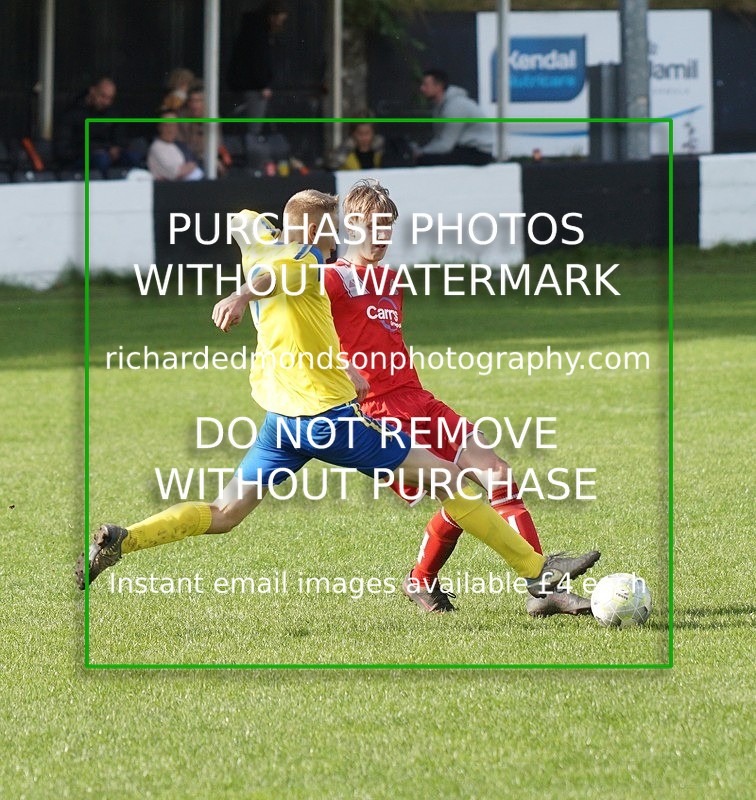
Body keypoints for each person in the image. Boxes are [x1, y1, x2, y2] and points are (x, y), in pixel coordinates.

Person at [76, 189, 599, 603]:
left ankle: (127, 539)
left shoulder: (264, 244)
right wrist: (240, 294)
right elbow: (273, 275)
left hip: (281, 422)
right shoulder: (304, 264)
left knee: (224, 514)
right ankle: (536, 570)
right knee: (451, 479)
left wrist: (263, 236)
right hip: (331, 420)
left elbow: (245, 225)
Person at [322, 179, 592, 616]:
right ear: (351, 226)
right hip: (379, 414)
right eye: (373, 226)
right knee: (457, 490)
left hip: (419, 398)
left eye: (389, 226)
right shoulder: (332, 278)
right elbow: (292, 317)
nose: (383, 236)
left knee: (498, 474)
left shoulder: (392, 280)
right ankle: (529, 583)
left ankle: (535, 593)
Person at [227, 1, 288, 138]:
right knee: (254, 126)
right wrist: (263, 85)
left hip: (245, 84)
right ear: (272, 17)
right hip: (253, 87)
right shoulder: (258, 34)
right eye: (279, 20)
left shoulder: (253, 30)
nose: (280, 24)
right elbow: (258, 60)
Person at [55, 76, 132, 177]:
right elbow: (63, 150)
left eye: (110, 98)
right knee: (101, 159)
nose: (106, 102)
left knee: (132, 158)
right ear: (92, 91)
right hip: (78, 160)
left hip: (107, 156)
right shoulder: (72, 113)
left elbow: (120, 138)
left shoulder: (113, 113)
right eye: (103, 96)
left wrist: (116, 148)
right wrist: (96, 150)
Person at [416, 69, 493, 166]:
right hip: (464, 148)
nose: (422, 88)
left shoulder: (455, 106)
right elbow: (441, 139)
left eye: (426, 85)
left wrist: (421, 152)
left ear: (439, 86)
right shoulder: (440, 106)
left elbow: (445, 145)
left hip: (478, 152)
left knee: (425, 160)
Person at [178, 85, 230, 175]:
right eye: (191, 101)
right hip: (188, 162)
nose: (194, 105)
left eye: (198, 101)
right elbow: (184, 148)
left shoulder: (213, 117)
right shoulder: (181, 119)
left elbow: (218, 144)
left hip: (210, 159)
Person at [147, 112, 204, 181]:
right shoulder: (156, 148)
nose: (170, 129)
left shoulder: (179, 146)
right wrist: (186, 168)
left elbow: (193, 163)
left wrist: (187, 168)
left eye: (173, 125)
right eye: (166, 125)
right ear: (160, 127)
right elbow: (173, 173)